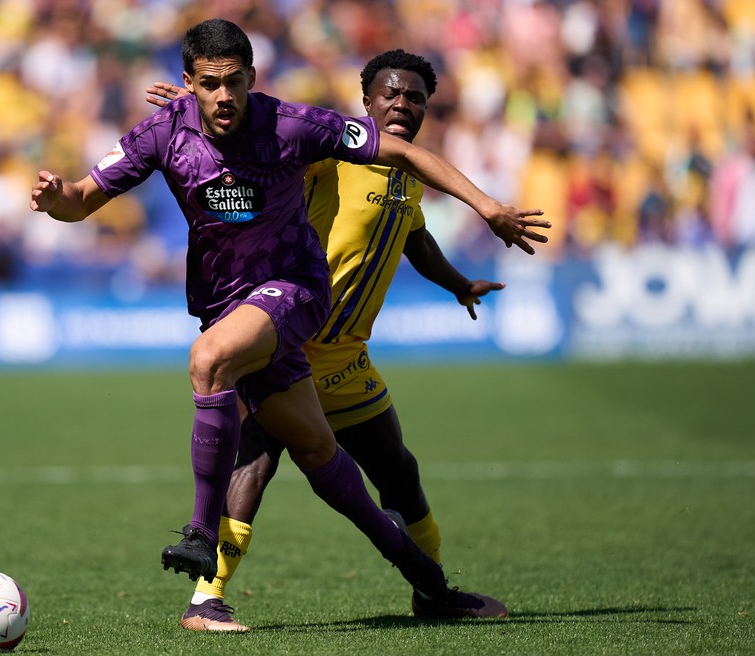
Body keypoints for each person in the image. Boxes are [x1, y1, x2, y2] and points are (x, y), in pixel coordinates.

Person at [29, 18, 550, 625]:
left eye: (234, 82)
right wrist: (55, 196)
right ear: (189, 83)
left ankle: (198, 531)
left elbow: (402, 154)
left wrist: (487, 207)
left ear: (252, 76)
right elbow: (80, 199)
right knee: (331, 469)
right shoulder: (162, 131)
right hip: (229, 305)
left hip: (295, 291)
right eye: (209, 85)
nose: (224, 96)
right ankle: (431, 587)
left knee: (208, 360)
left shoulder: (294, 126)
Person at [145, 50, 514, 632]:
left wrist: (458, 284)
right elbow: (253, 169)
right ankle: (204, 599)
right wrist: (199, 121)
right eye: (390, 94)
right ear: (365, 101)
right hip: (289, 338)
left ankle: (432, 591)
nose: (402, 104)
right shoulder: (328, 154)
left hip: (348, 358)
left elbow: (413, 236)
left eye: (414, 97)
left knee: (398, 472)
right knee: (254, 466)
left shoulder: (406, 175)